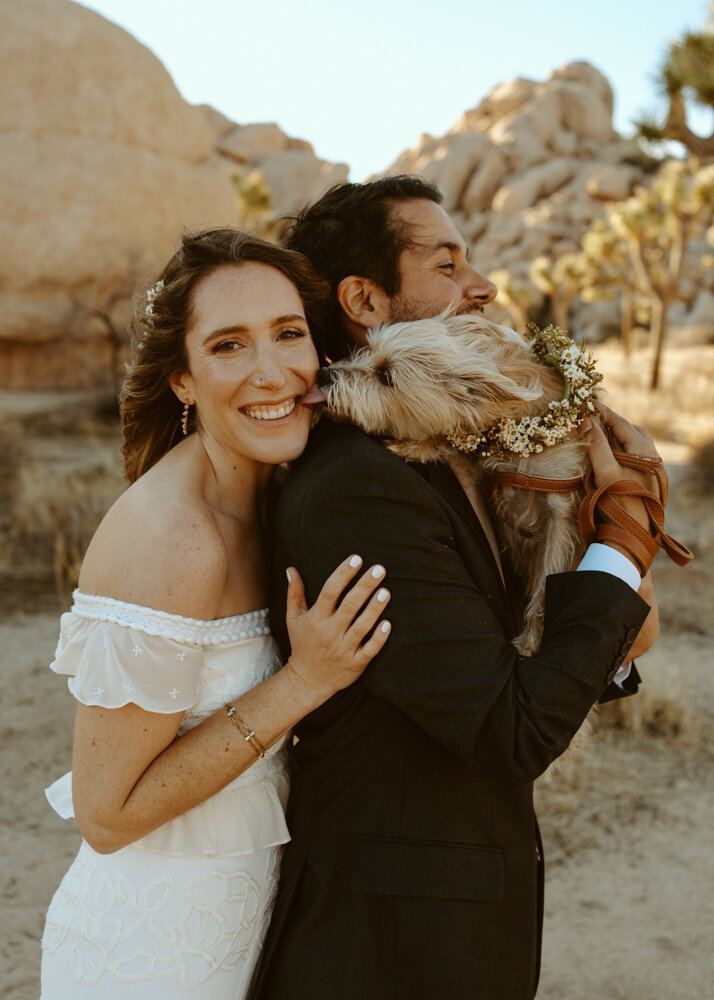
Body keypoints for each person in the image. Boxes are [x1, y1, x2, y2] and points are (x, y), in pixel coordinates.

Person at [248, 177, 661, 1000]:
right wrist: (622, 541)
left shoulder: (441, 448)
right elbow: (510, 729)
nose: (484, 287)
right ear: (364, 300)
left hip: (448, 914)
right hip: (396, 950)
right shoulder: (358, 486)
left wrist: (587, 529)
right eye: (447, 263)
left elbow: (535, 660)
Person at [40, 228, 393, 999]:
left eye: (289, 334)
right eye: (230, 345)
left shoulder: (278, 500)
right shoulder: (176, 540)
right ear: (183, 380)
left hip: (247, 928)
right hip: (152, 954)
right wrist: (303, 682)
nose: (273, 372)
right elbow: (107, 814)